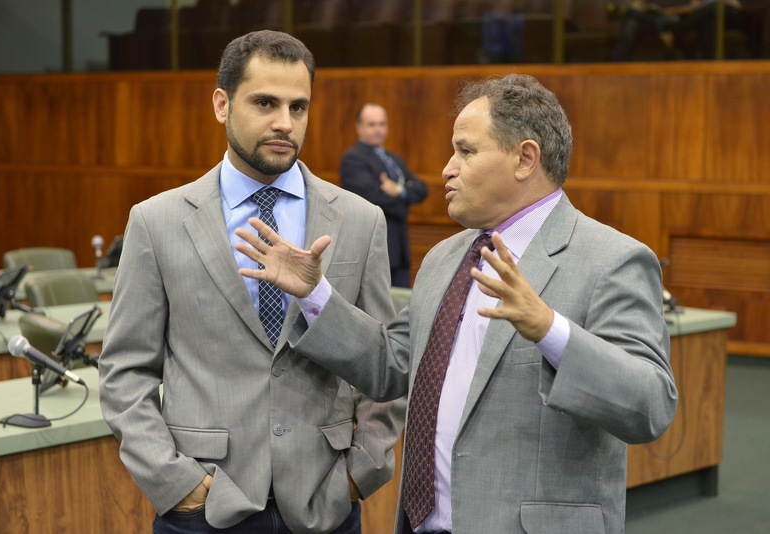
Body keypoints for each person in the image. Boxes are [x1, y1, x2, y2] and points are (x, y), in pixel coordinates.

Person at [236, 74, 678, 533]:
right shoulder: (446, 258)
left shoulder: (612, 260)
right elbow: (391, 365)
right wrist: (315, 294)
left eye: (466, 151)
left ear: (525, 159)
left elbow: (650, 405)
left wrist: (550, 330)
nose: (447, 169)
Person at [98, 30, 405, 534]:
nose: (285, 122)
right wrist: (176, 482)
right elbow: (125, 372)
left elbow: (386, 367)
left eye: (298, 107)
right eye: (265, 103)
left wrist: (361, 471)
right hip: (205, 507)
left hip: (325, 503)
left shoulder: (360, 219)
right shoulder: (156, 221)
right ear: (222, 105)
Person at [340, 104, 429, 288]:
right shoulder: (353, 159)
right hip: (374, 251)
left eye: (382, 124)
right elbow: (374, 198)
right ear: (359, 127)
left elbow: (421, 190)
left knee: (401, 301)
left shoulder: (394, 159)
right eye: (372, 124)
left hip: (400, 250)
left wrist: (398, 190)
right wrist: (404, 202)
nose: (378, 129)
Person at [609, 0, 745, 61]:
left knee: (672, 21)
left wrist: (669, 11)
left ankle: (629, 13)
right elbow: (637, 3)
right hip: (649, 17)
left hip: (673, 17)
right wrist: (644, 9)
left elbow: (693, 7)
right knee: (630, 22)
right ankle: (618, 68)